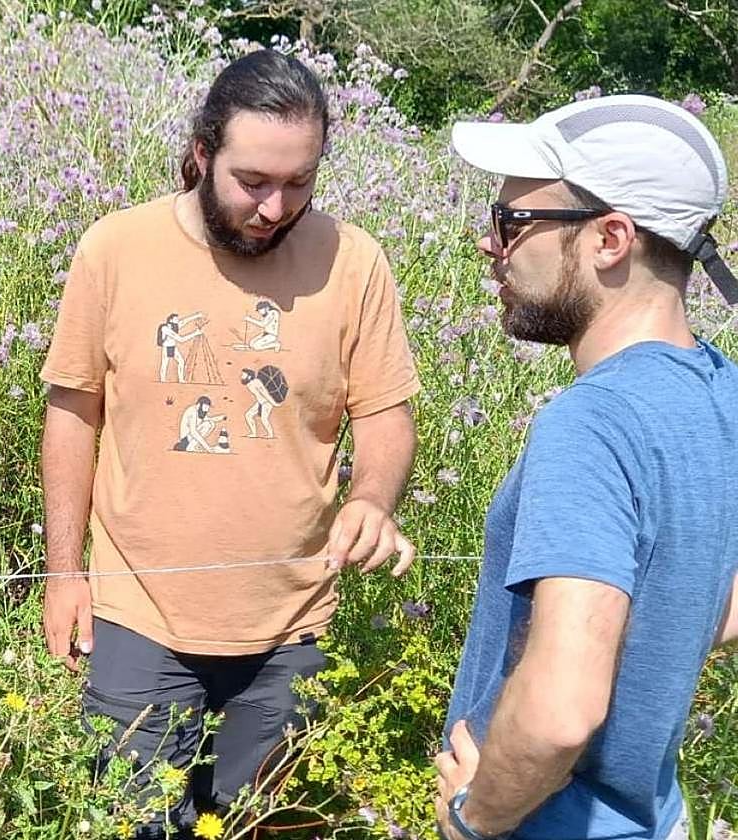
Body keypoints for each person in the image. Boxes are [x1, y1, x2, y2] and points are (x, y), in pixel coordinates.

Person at [40, 50, 419, 837]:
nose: (276, 207)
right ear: (203, 153)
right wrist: (64, 573)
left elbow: (385, 414)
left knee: (261, 826)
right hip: (137, 614)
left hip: (292, 624)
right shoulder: (116, 248)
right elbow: (73, 414)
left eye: (300, 183)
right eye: (253, 182)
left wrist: (373, 500)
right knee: (134, 825)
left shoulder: (353, 262)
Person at [433, 95, 738, 840]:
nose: (490, 245)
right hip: (654, 817)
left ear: (610, 238)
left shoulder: (593, 423)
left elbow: (559, 715)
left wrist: (476, 819)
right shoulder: (721, 389)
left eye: (513, 222)